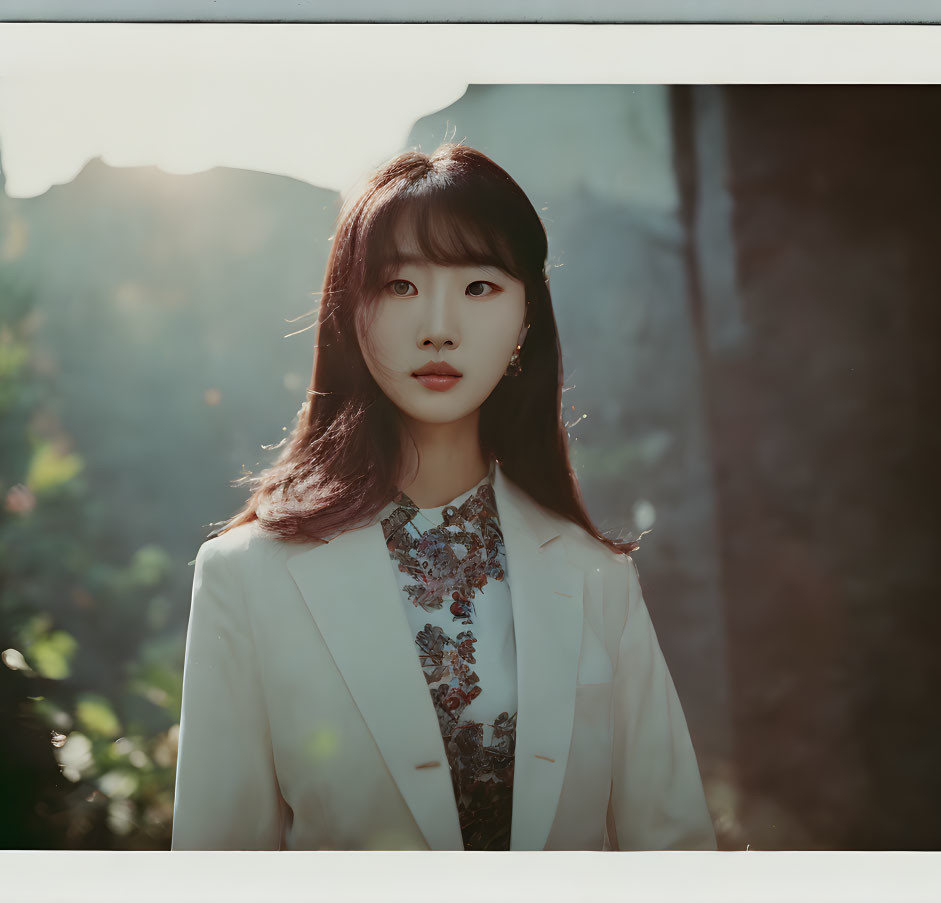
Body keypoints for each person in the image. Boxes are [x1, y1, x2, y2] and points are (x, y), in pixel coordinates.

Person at [170, 143, 716, 851]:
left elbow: (675, 856)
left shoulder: (596, 578)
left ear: (526, 320)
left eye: (478, 286)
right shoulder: (245, 576)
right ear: (349, 312)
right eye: (399, 285)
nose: (437, 325)